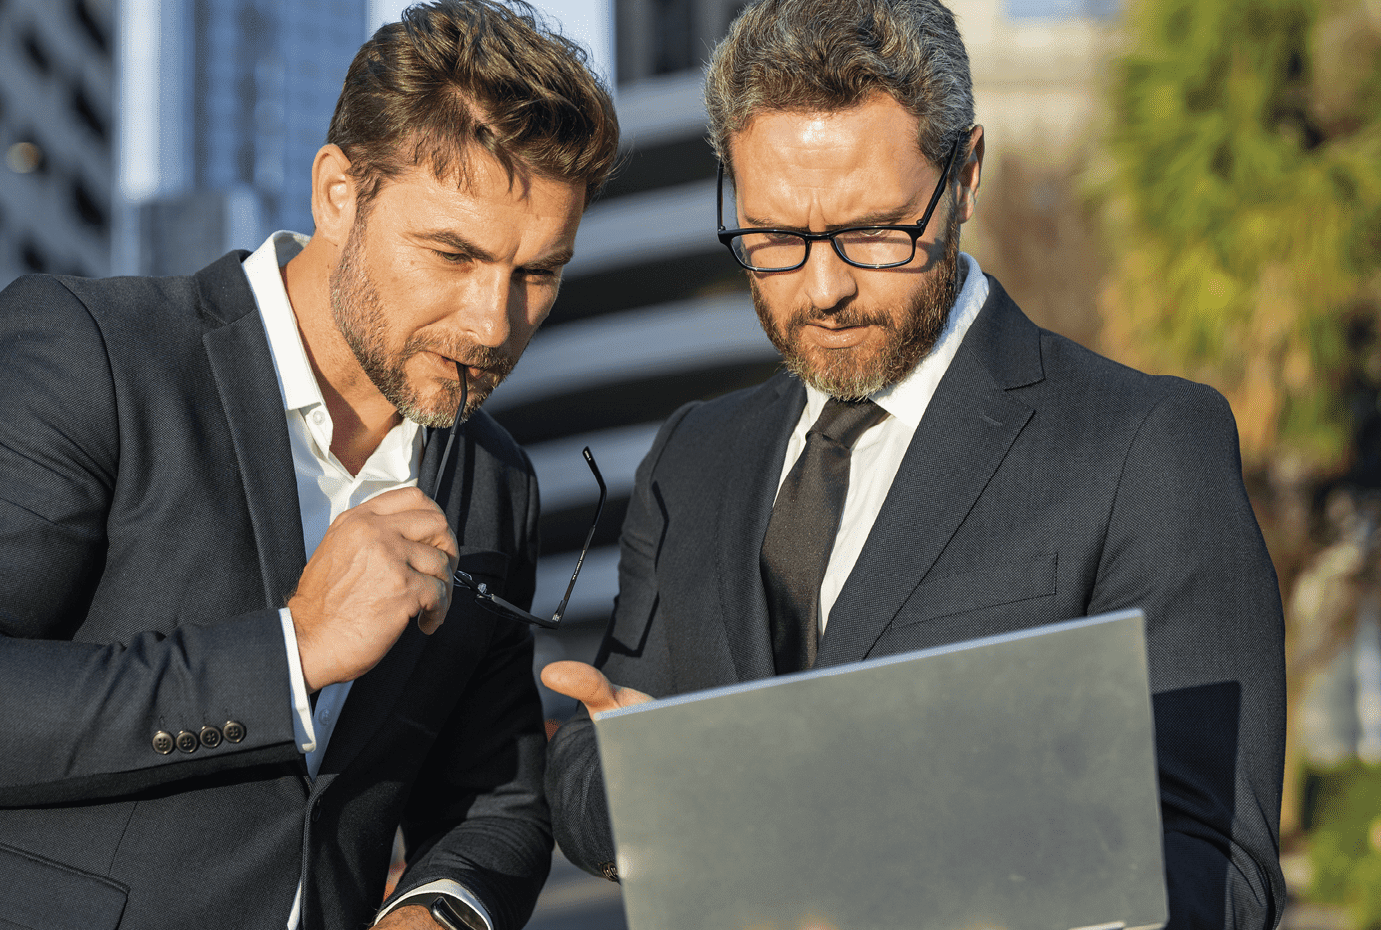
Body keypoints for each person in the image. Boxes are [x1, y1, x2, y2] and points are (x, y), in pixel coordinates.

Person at [0, 3, 618, 929]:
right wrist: (293, 652)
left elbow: (491, 797)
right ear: (338, 193)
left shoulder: (493, 479)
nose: (495, 323)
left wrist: (442, 908)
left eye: (538, 273)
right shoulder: (87, 348)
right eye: (452, 253)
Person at [540, 0, 1286, 927]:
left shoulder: (1143, 446)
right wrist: (642, 792)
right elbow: (601, 741)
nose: (823, 288)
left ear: (965, 177)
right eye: (773, 236)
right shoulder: (692, 456)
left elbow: (1217, 870)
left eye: (874, 232)